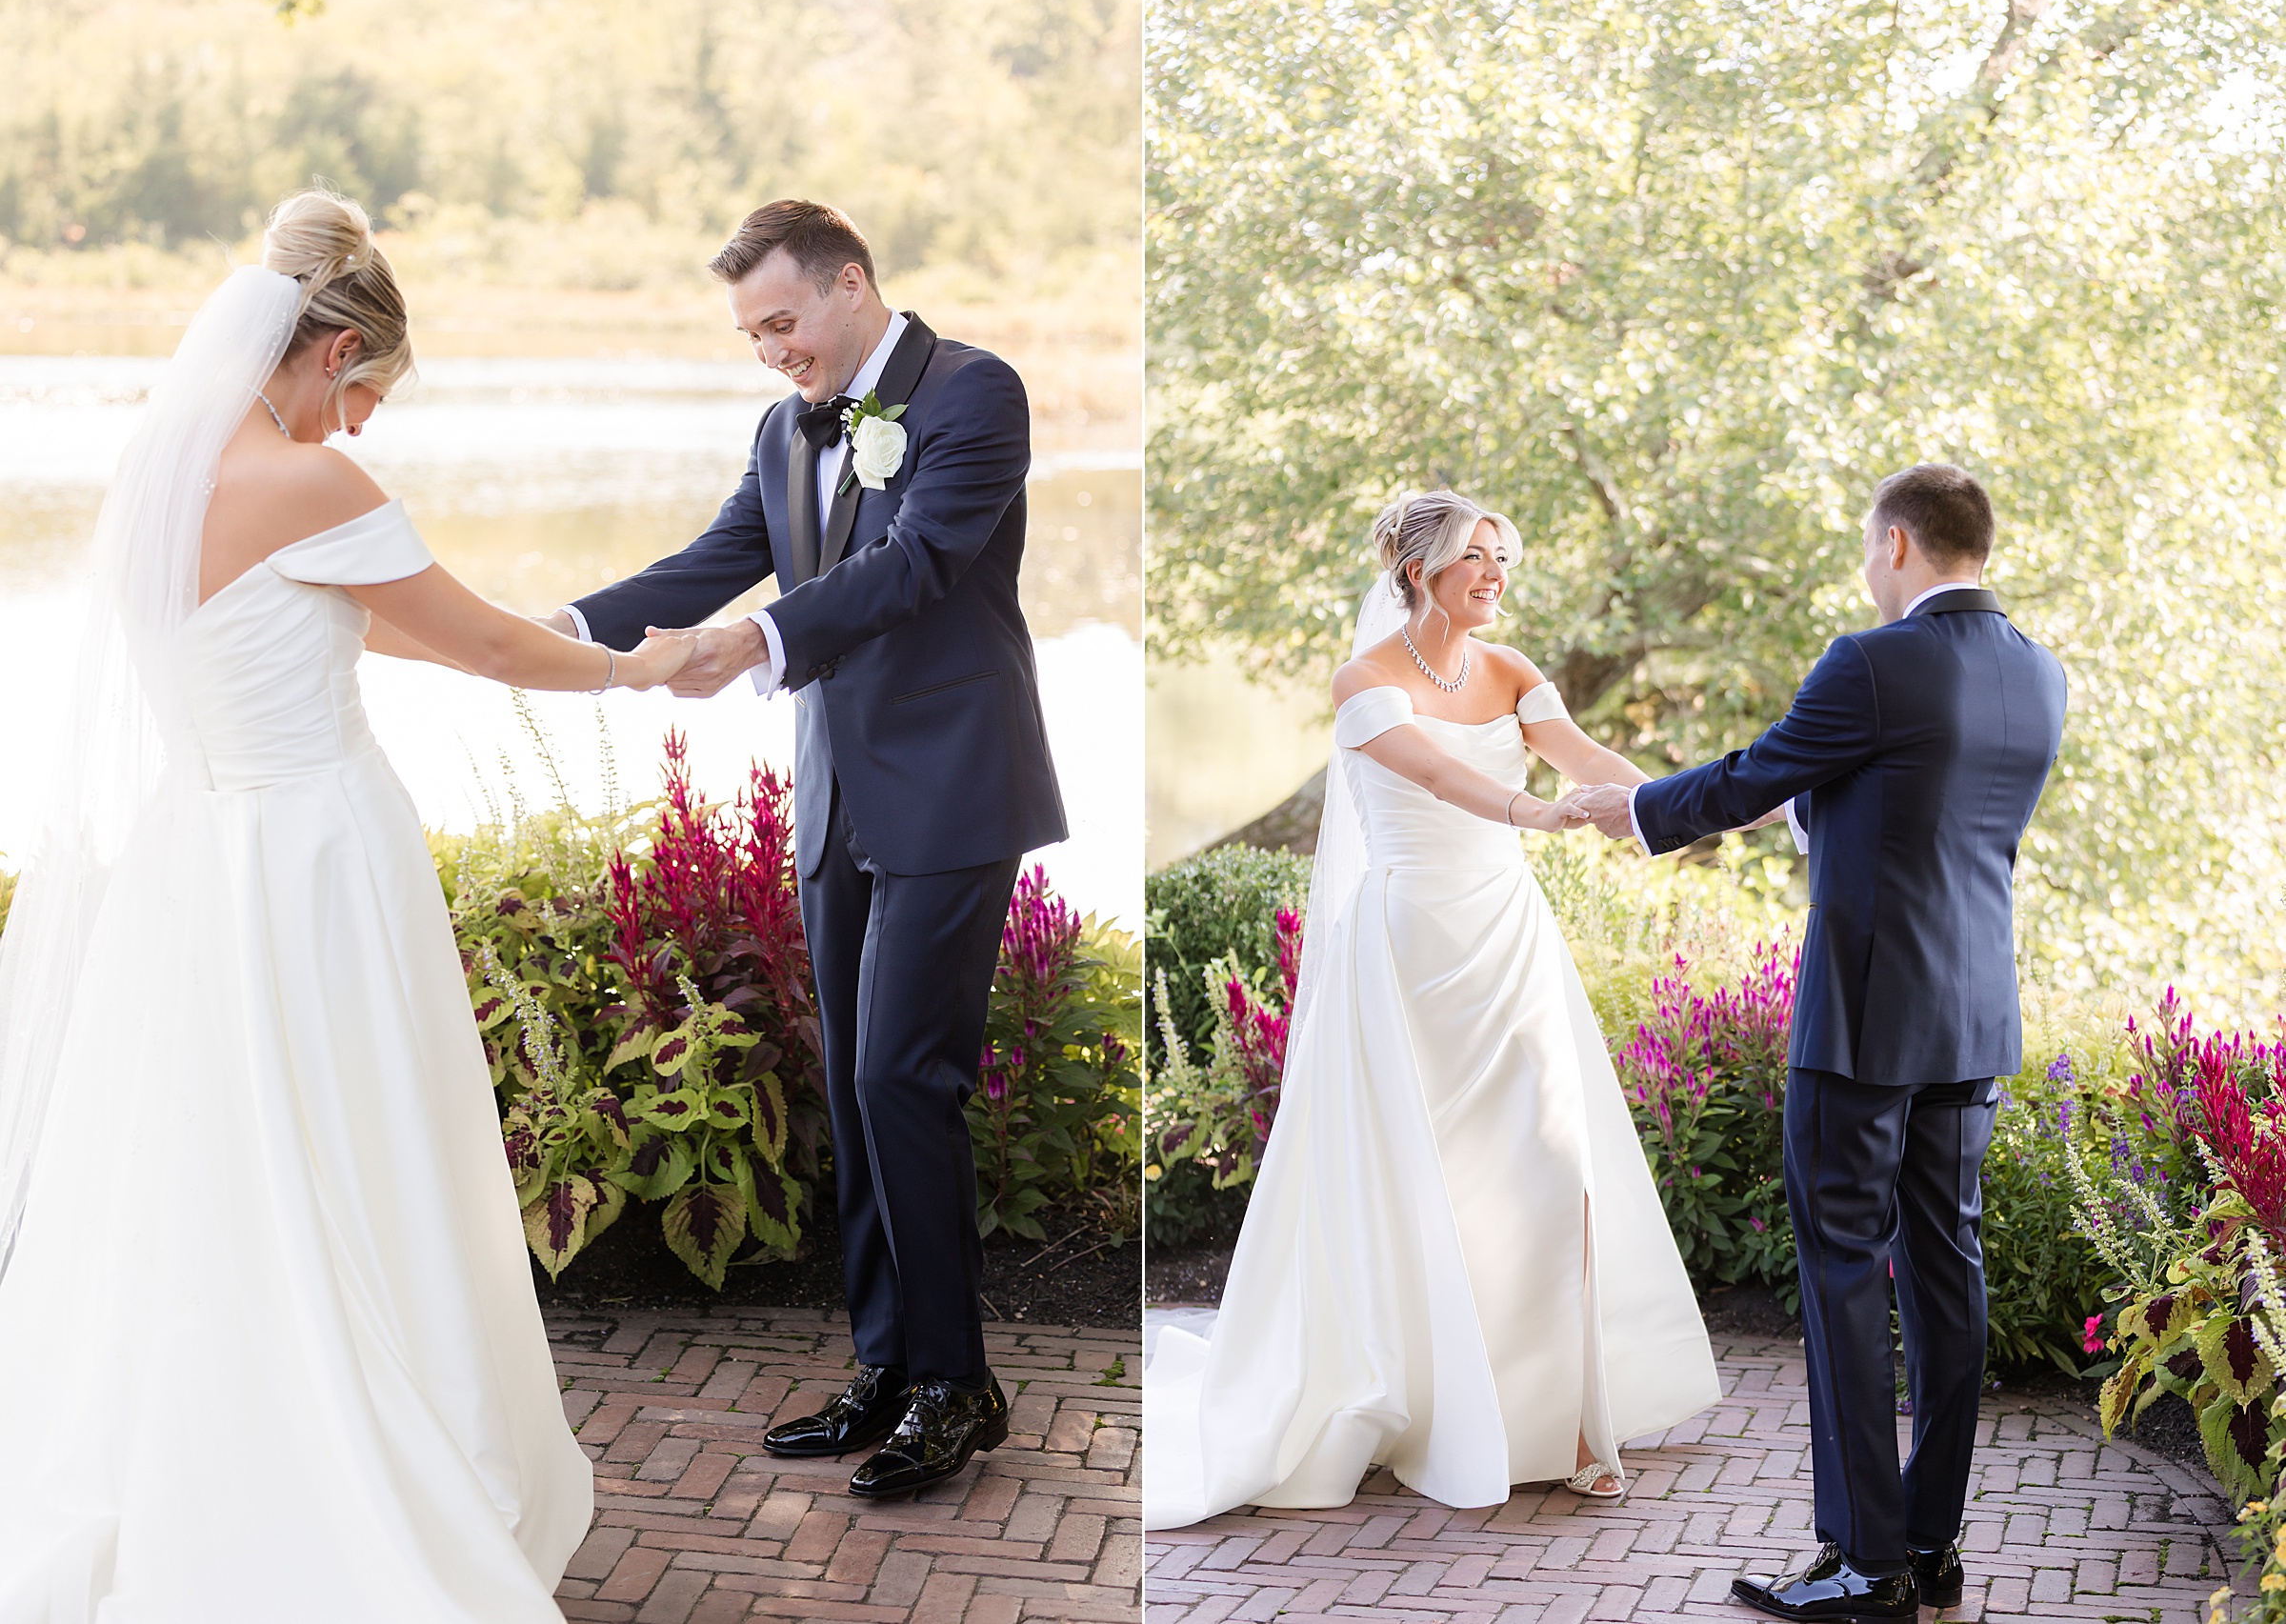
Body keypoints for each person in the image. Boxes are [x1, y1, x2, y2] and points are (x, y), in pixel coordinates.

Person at [0, 190, 693, 1618]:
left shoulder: (166, 461)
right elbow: (482, 639)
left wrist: (550, 632)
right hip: (316, 858)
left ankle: (200, 1440)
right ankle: (364, 1460)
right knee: (361, 1143)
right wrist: (636, 665)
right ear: (330, 355)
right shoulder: (313, 485)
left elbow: (354, 617)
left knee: (209, 1168)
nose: (367, 423)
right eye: (369, 390)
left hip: (194, 862)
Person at [545, 200, 1066, 1498]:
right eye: (751, 333)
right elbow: (715, 559)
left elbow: (918, 567)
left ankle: (958, 1383)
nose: (771, 351)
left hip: (953, 787)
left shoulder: (971, 393)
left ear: (849, 284)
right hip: (839, 795)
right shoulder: (783, 428)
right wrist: (549, 632)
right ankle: (888, 1366)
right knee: (852, 1085)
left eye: (782, 322)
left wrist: (753, 645)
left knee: (906, 1075)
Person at [1142, 489, 1723, 1530]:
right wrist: (1536, 811)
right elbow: (1437, 777)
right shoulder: (1363, 682)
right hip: (1411, 951)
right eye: (1474, 559)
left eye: (1503, 556)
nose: (1495, 575)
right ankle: (1447, 1406)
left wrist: (1681, 805)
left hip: (1508, 940)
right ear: (1419, 572)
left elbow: (1589, 759)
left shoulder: (1512, 671)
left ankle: (1573, 1423)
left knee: (1551, 1165)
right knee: (1435, 1184)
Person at [1570, 464, 2068, 1623]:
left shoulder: (1875, 660)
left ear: (1896, 543)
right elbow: (1914, 808)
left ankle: (1863, 1559)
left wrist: (1637, 810)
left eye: (1865, 544)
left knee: (1844, 1265)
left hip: (1863, 1017)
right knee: (1951, 1267)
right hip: (1975, 1012)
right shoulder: (2040, 673)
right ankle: (1932, 1544)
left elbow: (1759, 774)